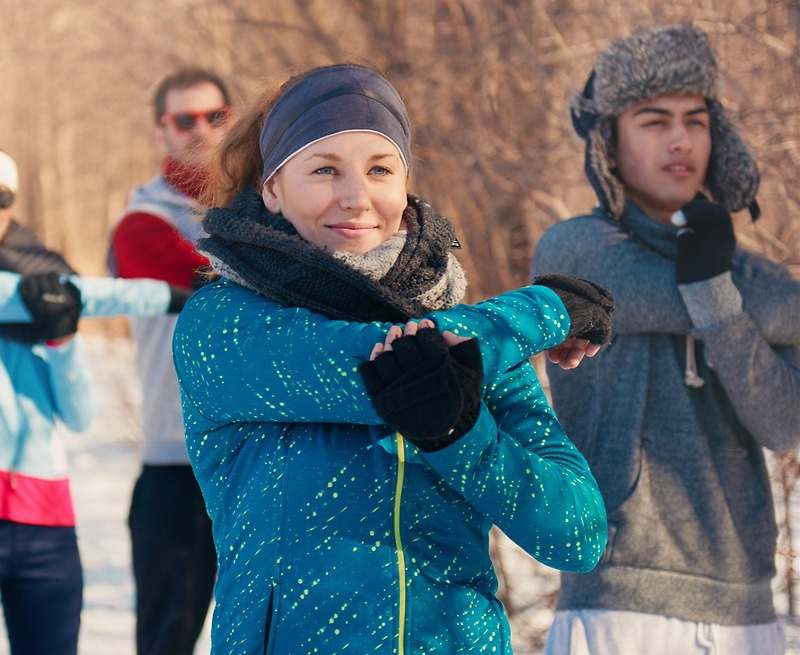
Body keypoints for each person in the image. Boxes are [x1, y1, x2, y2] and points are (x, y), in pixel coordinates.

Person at [172, 63, 613, 654]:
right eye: (324, 169)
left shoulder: (481, 347)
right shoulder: (224, 324)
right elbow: (379, 368)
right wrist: (545, 310)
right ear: (272, 189)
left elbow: (578, 536)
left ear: (405, 186)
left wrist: (462, 437)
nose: (356, 198)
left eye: (379, 169)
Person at [534, 24, 800, 654]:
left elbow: (785, 426)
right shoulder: (575, 251)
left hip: (747, 607)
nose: (680, 139)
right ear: (611, 141)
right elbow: (783, 309)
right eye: (653, 121)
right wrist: (719, 290)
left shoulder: (750, 274)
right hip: (618, 598)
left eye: (696, 120)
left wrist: (713, 288)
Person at [0, 135, 188, 655]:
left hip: (49, 526)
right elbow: (30, 295)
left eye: (0, 197)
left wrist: (63, 335)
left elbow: (77, 415)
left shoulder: (42, 279)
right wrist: (169, 295)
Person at [109, 68, 230, 655]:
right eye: (185, 120)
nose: (201, 130)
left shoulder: (268, 208)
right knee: (167, 642)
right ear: (162, 132)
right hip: (176, 464)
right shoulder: (141, 223)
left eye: (216, 116)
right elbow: (214, 284)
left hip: (258, 456)